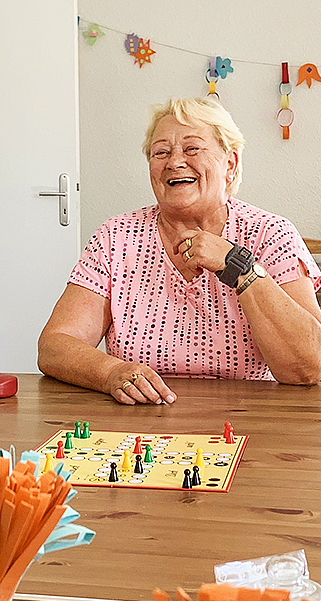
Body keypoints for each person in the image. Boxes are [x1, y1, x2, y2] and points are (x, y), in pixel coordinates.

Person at [39, 97, 321, 405]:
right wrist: (111, 372)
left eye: (192, 149)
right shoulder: (115, 237)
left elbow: (308, 367)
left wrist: (238, 266)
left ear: (230, 164)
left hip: (249, 421)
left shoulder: (270, 233)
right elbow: (55, 345)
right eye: (161, 152)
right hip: (140, 423)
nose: (174, 162)